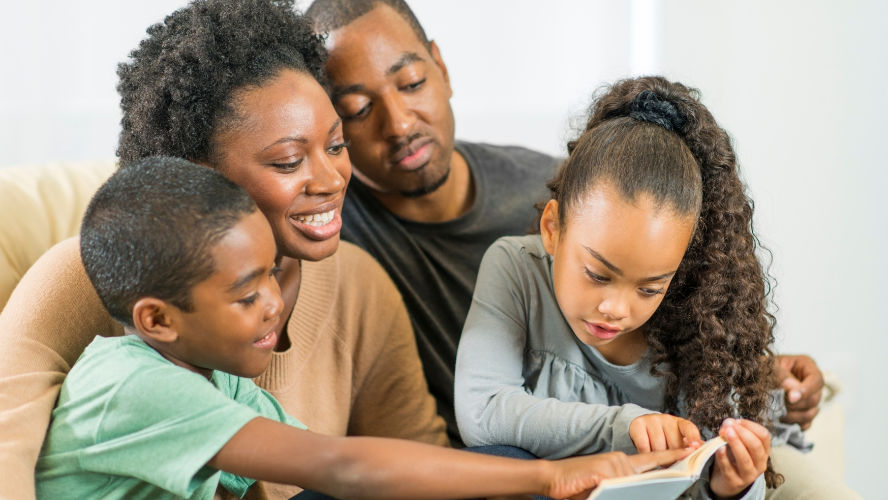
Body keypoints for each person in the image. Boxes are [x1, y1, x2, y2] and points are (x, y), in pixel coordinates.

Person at [303, 0, 829, 453]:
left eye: (412, 83)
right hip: (523, 456)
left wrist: (765, 383)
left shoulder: (566, 187)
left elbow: (686, 333)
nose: (398, 123)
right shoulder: (331, 233)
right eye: (357, 109)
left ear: (440, 67)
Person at [36, 155, 693, 500]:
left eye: (274, 275)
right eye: (246, 295)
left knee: (489, 472)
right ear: (158, 319)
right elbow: (341, 468)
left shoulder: (219, 383)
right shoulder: (129, 384)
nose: (274, 304)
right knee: (508, 470)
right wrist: (549, 477)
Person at [0, 1, 448, 499]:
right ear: (197, 172)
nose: (330, 179)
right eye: (289, 161)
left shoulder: (361, 285)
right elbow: (4, 444)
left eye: (337, 146)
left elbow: (417, 461)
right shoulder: (83, 272)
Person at [454, 76, 777, 500]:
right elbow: (482, 412)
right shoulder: (516, 268)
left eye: (648, 289)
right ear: (553, 229)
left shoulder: (697, 318)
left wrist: (731, 485)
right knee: (499, 460)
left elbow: (695, 475)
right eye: (598, 274)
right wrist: (624, 428)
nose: (615, 308)